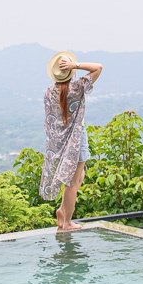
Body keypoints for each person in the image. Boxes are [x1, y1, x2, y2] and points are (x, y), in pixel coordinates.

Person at [40, 51, 103, 231]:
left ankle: (62, 211)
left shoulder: (49, 92)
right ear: (69, 72)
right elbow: (98, 67)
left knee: (78, 177)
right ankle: (66, 221)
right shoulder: (76, 88)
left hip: (59, 142)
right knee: (73, 183)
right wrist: (75, 65)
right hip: (76, 139)